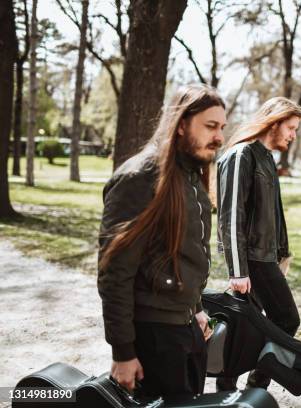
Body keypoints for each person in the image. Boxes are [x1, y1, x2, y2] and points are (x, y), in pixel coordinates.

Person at [97, 84, 226, 401]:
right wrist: (123, 352)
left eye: (222, 127)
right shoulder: (141, 177)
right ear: (181, 124)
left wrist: (195, 309)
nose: (220, 137)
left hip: (187, 328)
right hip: (155, 335)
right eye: (210, 126)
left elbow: (184, 255)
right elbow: (115, 271)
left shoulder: (190, 175)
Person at [215, 97, 301, 391]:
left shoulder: (267, 158)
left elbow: (272, 215)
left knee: (241, 327)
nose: (293, 135)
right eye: (290, 128)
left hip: (267, 257)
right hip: (252, 260)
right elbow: (230, 217)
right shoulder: (242, 155)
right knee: (287, 320)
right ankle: (256, 386)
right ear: (274, 122)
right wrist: (238, 270)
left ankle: (228, 387)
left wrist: (282, 255)